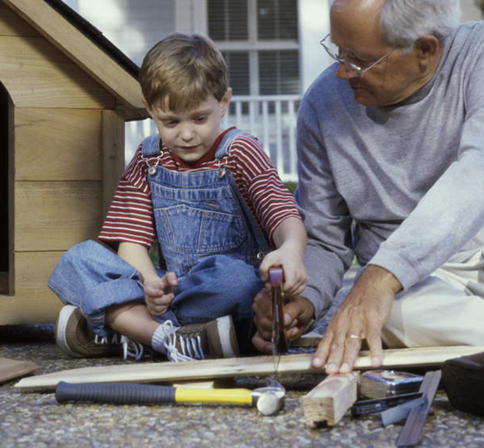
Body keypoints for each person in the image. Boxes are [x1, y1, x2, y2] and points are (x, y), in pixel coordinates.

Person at [252, 0, 484, 426]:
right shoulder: (323, 104)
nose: (342, 71)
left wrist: (380, 275)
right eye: (336, 50)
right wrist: (305, 300)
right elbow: (324, 237)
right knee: (392, 316)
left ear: (425, 49)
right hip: (425, 290)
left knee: (379, 304)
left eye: (359, 60)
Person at [49, 33, 308, 362]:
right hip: (166, 290)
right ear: (150, 111)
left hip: (219, 293)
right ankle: (171, 337)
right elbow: (131, 242)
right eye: (170, 122)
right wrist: (151, 285)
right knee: (78, 259)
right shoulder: (148, 159)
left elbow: (284, 214)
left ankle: (126, 329)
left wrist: (291, 250)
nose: (186, 134)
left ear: (224, 102)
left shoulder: (239, 151)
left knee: (237, 279)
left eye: (199, 118)